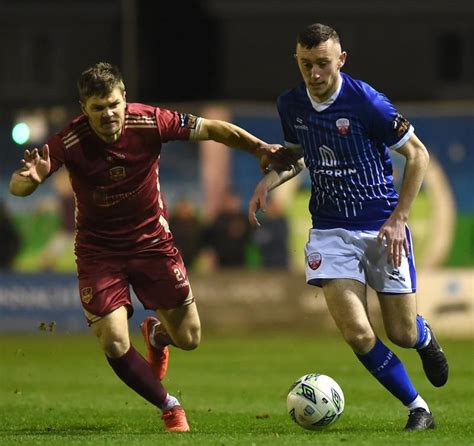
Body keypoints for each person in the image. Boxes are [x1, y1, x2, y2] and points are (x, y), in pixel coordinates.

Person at [9, 62, 289, 433]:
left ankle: (157, 335)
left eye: (113, 104)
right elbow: (19, 185)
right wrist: (31, 180)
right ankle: (169, 406)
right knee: (113, 340)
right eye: (98, 108)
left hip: (152, 243)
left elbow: (212, 128)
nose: (108, 114)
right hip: (99, 251)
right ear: (84, 109)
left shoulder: (151, 121)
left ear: (124, 98)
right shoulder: (70, 141)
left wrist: (258, 148)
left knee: (189, 338)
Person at [248, 23, 448, 431]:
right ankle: (418, 408)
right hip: (330, 231)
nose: (315, 73)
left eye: (323, 63)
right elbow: (300, 155)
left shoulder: (366, 102)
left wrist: (399, 220)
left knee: (401, 333)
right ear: (297, 61)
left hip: (381, 228)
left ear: (340, 60)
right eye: (306, 64)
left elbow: (418, 155)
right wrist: (269, 180)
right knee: (358, 333)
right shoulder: (291, 104)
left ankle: (424, 338)